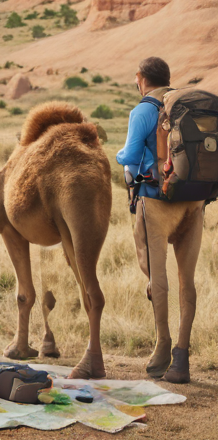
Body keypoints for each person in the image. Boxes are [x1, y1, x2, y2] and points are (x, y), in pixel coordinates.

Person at [116, 58, 205, 383]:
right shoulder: (185, 106)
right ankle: (182, 359)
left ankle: (162, 347)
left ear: (140, 79)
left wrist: (119, 158)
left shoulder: (143, 110)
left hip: (157, 200)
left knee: (159, 276)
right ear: (167, 78)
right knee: (187, 280)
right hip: (195, 199)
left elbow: (128, 155)